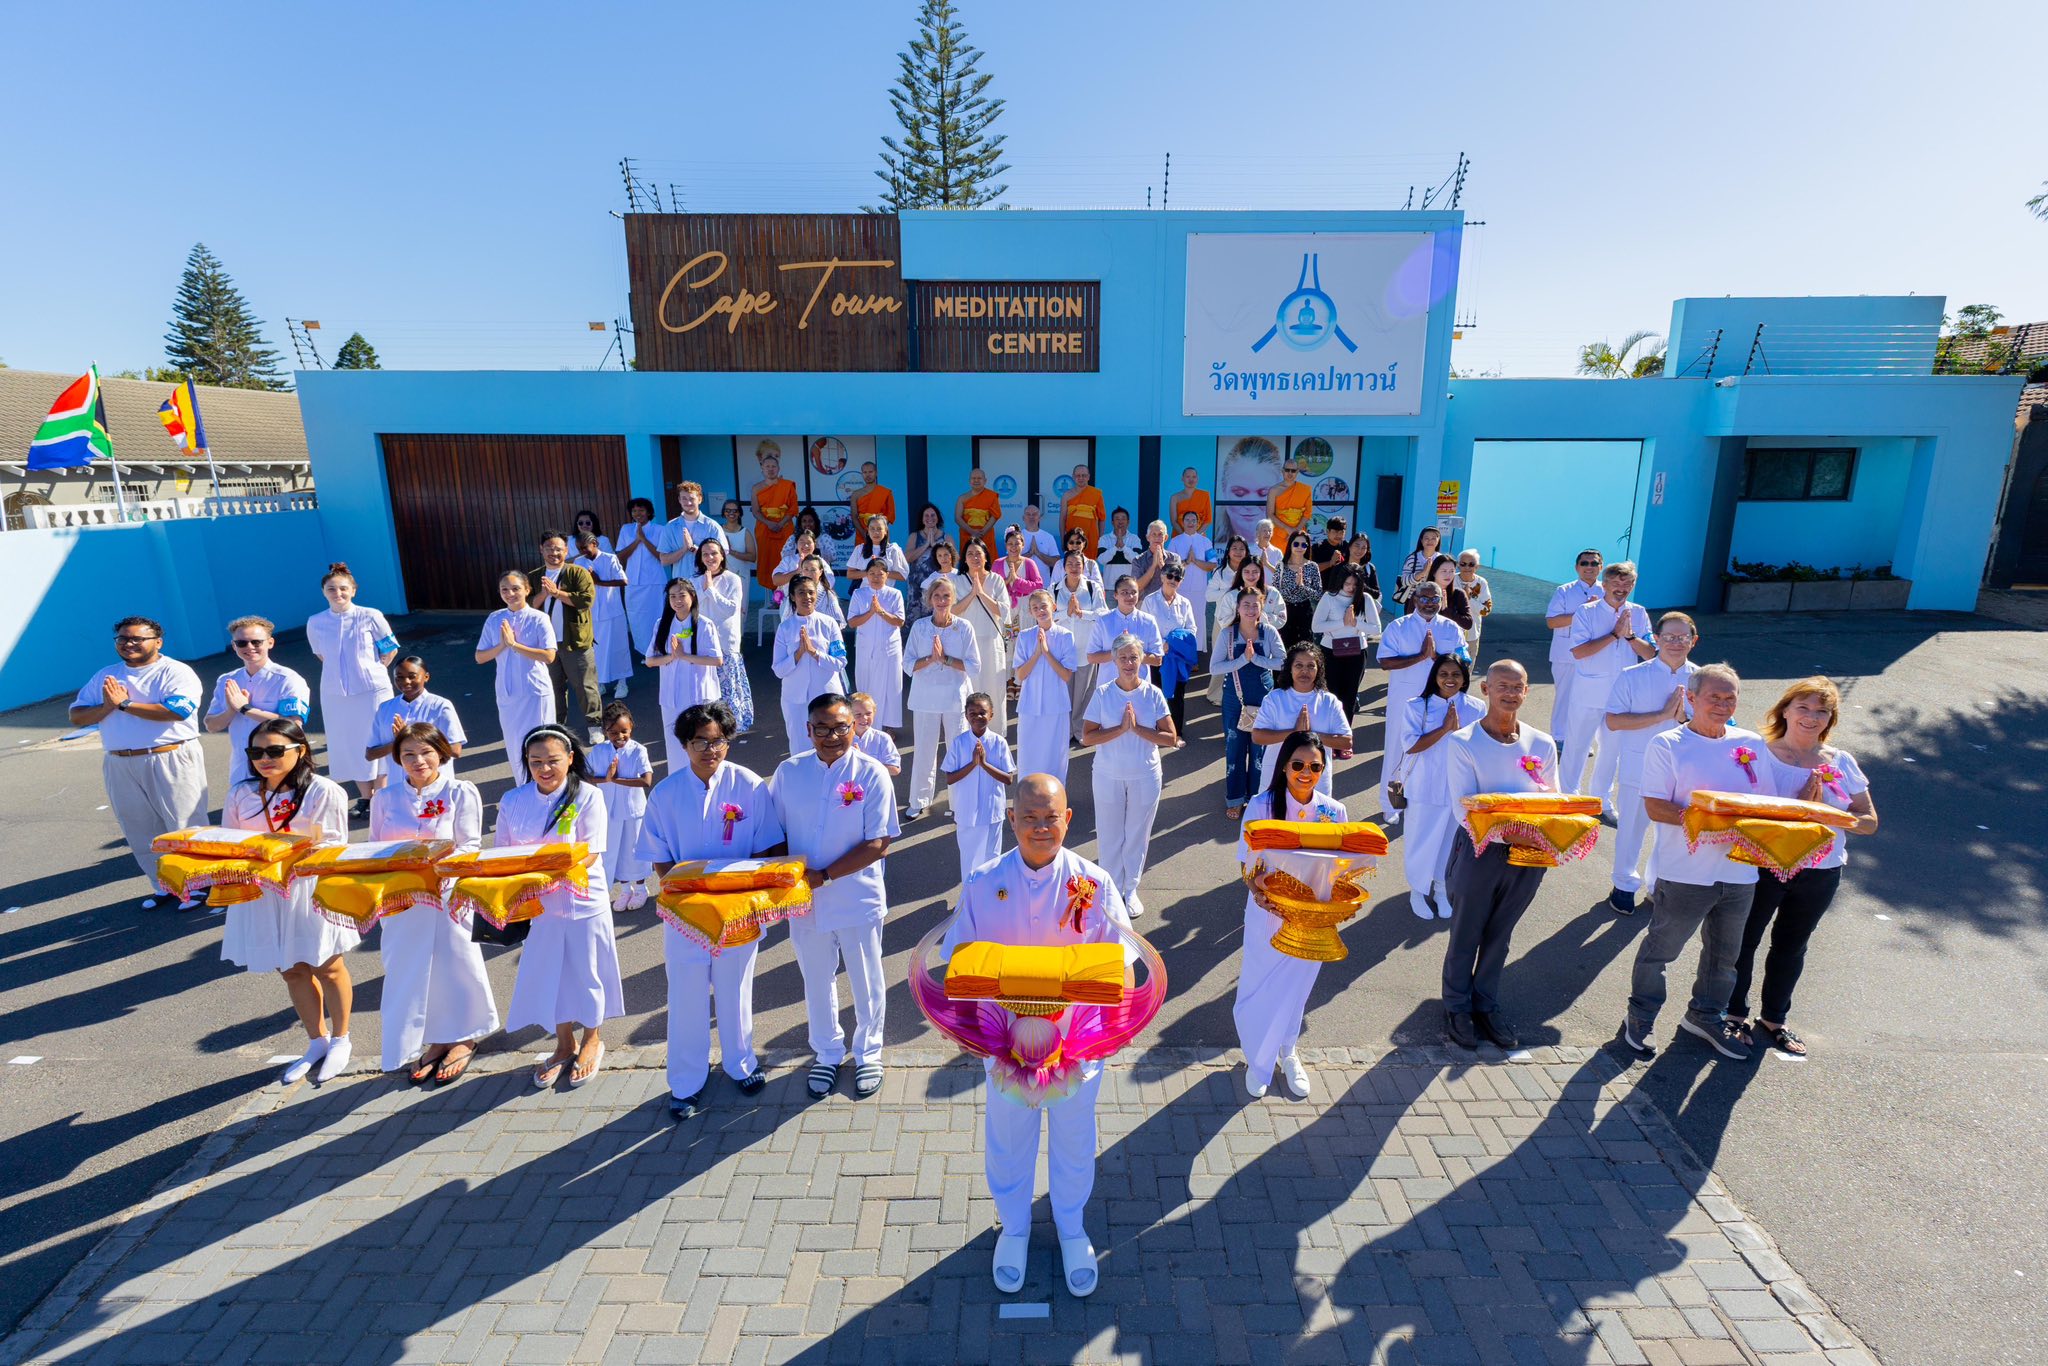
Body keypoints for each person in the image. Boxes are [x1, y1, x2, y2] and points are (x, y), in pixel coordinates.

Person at [942, 774, 1134, 1299]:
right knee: (1008, 1139)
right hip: (1003, 1044)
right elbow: (958, 961)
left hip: (1075, 1044)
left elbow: (1124, 965)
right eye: (1029, 817)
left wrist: (1116, 1028)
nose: (1040, 827)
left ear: (1068, 818)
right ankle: (1016, 1228)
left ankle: (1072, 1228)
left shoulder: (1093, 882)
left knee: (1074, 1140)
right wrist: (962, 1025)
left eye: (1050, 817)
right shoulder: (983, 880)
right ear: (1012, 820)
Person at [637, 701, 781, 1119]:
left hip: (737, 911)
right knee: (686, 996)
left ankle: (741, 1063)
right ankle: (686, 1081)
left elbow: (768, 846)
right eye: (701, 741)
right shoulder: (666, 793)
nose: (710, 749)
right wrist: (680, 897)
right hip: (684, 914)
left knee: (736, 989)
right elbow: (659, 857)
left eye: (718, 741)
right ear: (684, 744)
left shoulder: (750, 786)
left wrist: (752, 901)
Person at [1728, 677, 1880, 1059]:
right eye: (1804, 708)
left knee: (1792, 945)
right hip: (1763, 863)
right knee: (1743, 940)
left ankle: (1774, 1018)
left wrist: (1826, 814)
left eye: (1821, 711)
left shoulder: (1841, 762)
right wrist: (1797, 809)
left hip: (1820, 869)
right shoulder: (1757, 753)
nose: (1811, 717)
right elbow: (1742, 811)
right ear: (1785, 710)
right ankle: (1733, 1015)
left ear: (1831, 718)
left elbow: (1869, 820)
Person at [1620, 664, 1765, 1063]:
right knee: (1660, 951)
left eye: (1730, 697)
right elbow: (1655, 806)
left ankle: (1704, 1017)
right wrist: (1712, 824)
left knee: (1724, 957)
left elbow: (1766, 803)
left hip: (1740, 872)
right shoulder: (1668, 744)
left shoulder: (1752, 744)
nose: (1722, 705)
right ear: (1691, 698)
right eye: (1714, 697)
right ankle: (1641, 1016)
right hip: (1684, 872)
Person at [770, 693, 900, 1099]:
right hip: (803, 899)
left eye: (841, 727)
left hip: (855, 896)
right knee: (816, 979)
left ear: (853, 727)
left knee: (865, 977)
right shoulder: (789, 773)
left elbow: (878, 843)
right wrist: (787, 875)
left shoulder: (872, 773)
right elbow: (774, 833)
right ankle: (826, 1053)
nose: (832, 736)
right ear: (808, 731)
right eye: (822, 728)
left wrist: (823, 876)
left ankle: (868, 1053)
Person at [214, 718, 353, 1081]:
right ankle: (316, 1041)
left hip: (307, 889)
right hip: (262, 893)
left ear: (300, 751)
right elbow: (230, 843)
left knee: (327, 965)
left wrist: (282, 853)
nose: (265, 759)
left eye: (275, 751)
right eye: (256, 752)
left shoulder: (323, 791)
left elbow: (334, 846)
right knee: (291, 969)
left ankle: (341, 1039)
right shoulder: (240, 793)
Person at [1439, 660, 1558, 1051]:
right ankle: (1457, 1006)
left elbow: (1553, 801)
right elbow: (1464, 809)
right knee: (1466, 932)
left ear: (1527, 692)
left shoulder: (1542, 743)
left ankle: (1486, 1004)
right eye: (1502, 685)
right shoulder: (1464, 741)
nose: (1510, 693)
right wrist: (1517, 829)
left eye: (1518, 686)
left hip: (1529, 857)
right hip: (1480, 851)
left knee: (1500, 935)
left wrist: (1537, 835)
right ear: (1485, 690)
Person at [370, 722, 494, 1085]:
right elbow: (376, 849)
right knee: (412, 970)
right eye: (408, 754)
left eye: (425, 752)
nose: (418, 760)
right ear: (398, 760)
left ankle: (465, 1036)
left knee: (455, 964)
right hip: (403, 901)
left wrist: (439, 867)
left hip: (447, 895)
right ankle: (436, 1037)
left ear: (440, 752)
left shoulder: (460, 792)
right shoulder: (385, 798)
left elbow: (471, 845)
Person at [1232, 732, 1348, 1099]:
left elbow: (1343, 867)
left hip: (1312, 918)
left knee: (1297, 990)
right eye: (1298, 765)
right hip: (1268, 913)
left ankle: (1287, 1051)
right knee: (1258, 985)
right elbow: (1246, 863)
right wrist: (1258, 891)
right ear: (1284, 766)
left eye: (1315, 766)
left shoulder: (1335, 811)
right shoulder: (1261, 805)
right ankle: (1257, 1058)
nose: (1305, 772)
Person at [503, 724, 618, 1088]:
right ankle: (563, 1044)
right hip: (538, 908)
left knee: (587, 973)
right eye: (535, 761)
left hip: (583, 901)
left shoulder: (587, 796)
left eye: (553, 760)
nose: (544, 769)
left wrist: (545, 877)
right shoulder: (513, 800)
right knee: (551, 975)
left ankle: (592, 1040)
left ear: (570, 759)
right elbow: (504, 855)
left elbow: (590, 853)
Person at [72, 616, 209, 909]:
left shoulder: (176, 672)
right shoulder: (105, 676)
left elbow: (175, 711)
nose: (128, 643)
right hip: (120, 762)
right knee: (139, 827)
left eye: (137, 638)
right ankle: (165, 885)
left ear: (157, 642)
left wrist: (123, 705)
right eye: (122, 638)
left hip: (170, 756)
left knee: (184, 824)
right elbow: (77, 715)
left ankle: (199, 886)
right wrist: (107, 706)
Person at [1602, 613, 1699, 914]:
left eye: (1682, 638)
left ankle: (1657, 884)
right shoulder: (1632, 676)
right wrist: (1661, 715)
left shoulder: (1702, 680)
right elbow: (1614, 721)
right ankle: (1623, 884)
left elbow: (1715, 725)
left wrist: (1681, 717)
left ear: (1693, 642)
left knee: (1671, 832)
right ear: (1655, 640)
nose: (1675, 643)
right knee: (1631, 828)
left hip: (1683, 771)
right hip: (1639, 766)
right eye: (1669, 637)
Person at [1082, 632, 1177, 917]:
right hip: (1108, 775)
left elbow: (1170, 737)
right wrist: (1121, 729)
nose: (1128, 662)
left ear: (1142, 660)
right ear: (1113, 660)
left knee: (1137, 835)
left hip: (1145, 775)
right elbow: (1087, 736)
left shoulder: (1152, 693)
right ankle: (1110, 889)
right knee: (1110, 835)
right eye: (1122, 657)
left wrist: (1136, 729)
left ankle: (1130, 889)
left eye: (1133, 657)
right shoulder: (1103, 693)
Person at [306, 562, 398, 816]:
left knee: (377, 738)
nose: (338, 593)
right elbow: (322, 655)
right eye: (331, 589)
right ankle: (365, 798)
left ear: (353, 590)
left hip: (372, 691)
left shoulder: (371, 615)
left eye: (343, 588)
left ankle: (382, 795)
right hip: (336, 694)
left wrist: (372, 671)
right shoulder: (315, 622)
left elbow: (389, 649)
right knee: (348, 742)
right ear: (324, 592)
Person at [1560, 561, 1655, 801]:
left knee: (1612, 750)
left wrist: (1630, 636)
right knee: (1577, 746)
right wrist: (1614, 635)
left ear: (1633, 585)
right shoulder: (1586, 612)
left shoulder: (1639, 612)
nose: (1621, 588)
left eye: (1627, 583)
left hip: (1621, 696)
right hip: (1589, 691)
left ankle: (1601, 799)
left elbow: (1651, 653)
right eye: (1615, 582)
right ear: (1604, 584)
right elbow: (1579, 652)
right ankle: (1568, 796)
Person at [1399, 655, 1484, 921]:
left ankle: (1440, 889)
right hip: (1426, 786)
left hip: (1460, 787)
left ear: (1464, 678)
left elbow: (1482, 746)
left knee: (1450, 842)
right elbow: (1410, 745)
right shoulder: (1417, 706)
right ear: (1434, 676)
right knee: (1421, 841)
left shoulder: (1476, 707)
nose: (1450, 679)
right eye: (1444, 674)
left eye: (1456, 674)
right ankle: (1417, 891)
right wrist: (1446, 729)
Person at [1375, 579, 1469, 819]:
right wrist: (1420, 656)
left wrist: (1436, 656)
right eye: (1424, 599)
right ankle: (1391, 804)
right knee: (1398, 750)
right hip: (1404, 699)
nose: (1429, 603)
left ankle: (1427, 803)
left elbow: (1463, 662)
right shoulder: (1398, 626)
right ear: (1415, 600)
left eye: (1434, 599)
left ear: (1442, 600)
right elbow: (1385, 662)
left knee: (1437, 751)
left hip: (1442, 700)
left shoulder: (1451, 628)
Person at [903, 578, 981, 820]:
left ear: (953, 598)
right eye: (937, 596)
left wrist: (945, 660)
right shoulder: (919, 627)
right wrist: (931, 659)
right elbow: (907, 664)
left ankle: (959, 803)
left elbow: (974, 666)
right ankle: (918, 800)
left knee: (957, 751)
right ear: (930, 599)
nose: (941, 601)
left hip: (955, 699)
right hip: (925, 698)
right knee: (924, 750)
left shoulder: (965, 627)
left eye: (946, 596)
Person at [204, 615, 312, 787]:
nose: (249, 647)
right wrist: (232, 710)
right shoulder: (227, 680)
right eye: (241, 643)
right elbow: (211, 726)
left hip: (278, 763)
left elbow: (293, 725)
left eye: (256, 642)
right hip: (241, 765)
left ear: (270, 643)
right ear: (234, 646)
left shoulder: (287, 679)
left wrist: (246, 708)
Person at [1216, 589, 1287, 818]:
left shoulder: (1269, 632)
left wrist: (1255, 659)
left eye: (1255, 605)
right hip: (1233, 698)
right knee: (1234, 748)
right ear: (1237, 608)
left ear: (1262, 607)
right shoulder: (1228, 634)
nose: (1250, 609)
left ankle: (1258, 799)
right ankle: (1235, 799)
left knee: (1261, 751)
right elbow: (1214, 668)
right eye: (1246, 605)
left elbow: (1283, 663)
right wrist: (1240, 661)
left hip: (1263, 696)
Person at [529, 531, 602, 745]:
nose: (554, 553)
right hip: (546, 645)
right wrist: (544, 593)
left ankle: (595, 725)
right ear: (541, 549)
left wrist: (557, 593)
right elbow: (529, 605)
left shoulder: (577, 573)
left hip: (576, 641)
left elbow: (585, 601)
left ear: (566, 550)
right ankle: (556, 727)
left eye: (559, 549)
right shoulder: (535, 575)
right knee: (553, 688)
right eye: (549, 548)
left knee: (585, 686)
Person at [1251, 643, 1352, 797]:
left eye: (1311, 666)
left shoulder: (1329, 701)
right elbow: (1257, 736)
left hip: (1317, 781)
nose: (1305, 671)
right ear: (1290, 669)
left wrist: (1310, 736)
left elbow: (1346, 742)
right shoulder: (1274, 698)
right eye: (1299, 665)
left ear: (1319, 670)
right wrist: (1293, 733)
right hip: (1277, 776)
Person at [474, 572, 557, 757]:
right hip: (507, 693)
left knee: (542, 743)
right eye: (504, 589)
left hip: (535, 692)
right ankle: (522, 785)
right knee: (514, 745)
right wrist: (502, 645)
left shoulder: (539, 618)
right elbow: (480, 657)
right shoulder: (494, 619)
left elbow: (549, 656)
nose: (510, 593)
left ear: (527, 590)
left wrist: (514, 645)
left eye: (516, 588)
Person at [587, 702, 654, 910]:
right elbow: (584, 775)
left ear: (631, 727)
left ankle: (641, 888)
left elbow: (646, 780)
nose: (619, 736)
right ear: (605, 731)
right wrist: (604, 778)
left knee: (634, 849)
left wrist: (616, 780)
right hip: (608, 811)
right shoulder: (598, 751)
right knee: (615, 850)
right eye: (613, 732)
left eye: (624, 731)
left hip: (633, 811)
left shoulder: (638, 751)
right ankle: (625, 890)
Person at [771, 576, 849, 754]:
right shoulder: (785, 628)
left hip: (827, 695)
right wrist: (798, 653)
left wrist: (815, 653)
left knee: (832, 744)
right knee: (800, 745)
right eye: (801, 592)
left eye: (811, 592)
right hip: (795, 698)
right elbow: (778, 670)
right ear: (792, 596)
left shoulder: (829, 624)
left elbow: (840, 662)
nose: (807, 597)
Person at [943, 692, 1015, 884]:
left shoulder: (999, 742)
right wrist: (973, 764)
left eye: (982, 712)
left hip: (992, 812)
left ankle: (990, 900)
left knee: (991, 859)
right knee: (968, 860)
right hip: (966, 812)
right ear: (966, 716)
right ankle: (968, 900)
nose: (977, 717)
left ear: (991, 714)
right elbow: (950, 778)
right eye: (972, 713)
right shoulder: (959, 743)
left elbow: (1008, 778)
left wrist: (983, 764)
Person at [1013, 589, 1081, 785]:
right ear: (1031, 612)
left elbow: (1066, 675)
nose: (1040, 610)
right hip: (1029, 705)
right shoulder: (1025, 637)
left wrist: (1047, 652)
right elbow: (1020, 675)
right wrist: (1036, 653)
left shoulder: (1065, 636)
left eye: (1043, 605)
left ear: (1053, 606)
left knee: (1055, 753)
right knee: (1029, 750)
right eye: (1035, 608)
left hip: (1056, 705)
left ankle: (1055, 796)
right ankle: (1027, 793)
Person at [690, 538, 751, 733]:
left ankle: (733, 725)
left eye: (714, 553)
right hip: (703, 643)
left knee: (728, 687)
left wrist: (711, 590)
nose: (710, 557)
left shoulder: (732, 579)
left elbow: (730, 610)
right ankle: (708, 727)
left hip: (726, 641)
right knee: (705, 687)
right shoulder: (693, 581)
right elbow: (692, 610)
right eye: (705, 554)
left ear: (722, 555)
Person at [957, 539, 1013, 736]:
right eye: (970, 553)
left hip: (991, 642)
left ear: (986, 556)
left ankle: (996, 733)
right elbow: (953, 611)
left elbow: (1004, 611)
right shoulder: (958, 580)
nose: (974, 557)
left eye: (978, 553)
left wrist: (982, 593)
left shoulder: (996, 580)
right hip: (967, 643)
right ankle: (968, 733)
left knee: (993, 689)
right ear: (964, 558)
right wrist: (972, 594)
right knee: (969, 689)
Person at [1544, 548, 1606, 724]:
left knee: (1591, 701)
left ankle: (1583, 743)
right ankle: (1559, 738)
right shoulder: (1564, 591)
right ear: (1576, 567)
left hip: (1597, 654)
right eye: (1584, 563)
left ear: (1601, 567)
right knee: (1565, 699)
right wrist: (1583, 610)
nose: (1589, 567)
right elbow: (1552, 622)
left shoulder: (1608, 591)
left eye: (1594, 563)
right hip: (1566, 655)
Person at [1311, 567, 1381, 721]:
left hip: (1356, 652)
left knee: (1349, 696)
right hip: (1330, 651)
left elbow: (1376, 629)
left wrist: (1356, 623)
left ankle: (1344, 736)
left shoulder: (1365, 598)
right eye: (1348, 583)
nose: (1351, 588)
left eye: (1355, 584)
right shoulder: (1329, 597)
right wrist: (1342, 622)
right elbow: (1316, 626)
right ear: (1340, 582)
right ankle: (1327, 734)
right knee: (1330, 694)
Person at [1054, 551, 1109, 744]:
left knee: (1083, 693)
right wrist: (1065, 613)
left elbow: (1103, 614)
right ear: (1064, 566)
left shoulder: (1092, 588)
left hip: (1086, 648)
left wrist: (1081, 613)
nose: (1074, 567)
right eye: (1070, 563)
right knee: (1063, 692)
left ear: (1083, 567)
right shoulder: (1054, 589)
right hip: (1062, 651)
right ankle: (1064, 730)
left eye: (1078, 564)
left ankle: (1079, 730)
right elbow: (1046, 616)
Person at [1143, 562, 1201, 737]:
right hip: (1155, 655)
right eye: (1170, 576)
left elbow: (1191, 629)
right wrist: (1162, 644)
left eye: (1177, 577)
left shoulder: (1185, 603)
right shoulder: (1150, 600)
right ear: (1161, 576)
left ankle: (1176, 733)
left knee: (1177, 695)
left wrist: (1172, 643)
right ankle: (1153, 732)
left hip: (1177, 658)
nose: (1173, 580)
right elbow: (1145, 627)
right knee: (1155, 693)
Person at [847, 558, 907, 730]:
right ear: (866, 575)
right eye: (871, 573)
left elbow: (899, 621)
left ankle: (888, 727)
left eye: (880, 574)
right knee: (867, 687)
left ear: (887, 575)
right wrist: (871, 611)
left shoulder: (895, 594)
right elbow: (852, 622)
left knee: (890, 689)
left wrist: (880, 611)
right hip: (866, 650)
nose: (875, 577)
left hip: (888, 650)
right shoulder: (859, 594)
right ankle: (864, 726)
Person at [575, 529, 633, 702]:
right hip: (591, 613)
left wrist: (599, 581)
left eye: (585, 547)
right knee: (595, 651)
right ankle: (599, 683)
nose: (582, 552)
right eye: (579, 548)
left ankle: (622, 682)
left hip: (612, 611)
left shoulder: (610, 558)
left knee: (618, 646)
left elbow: (623, 581)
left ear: (595, 544)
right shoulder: (579, 562)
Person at [616, 498, 671, 673]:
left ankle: (658, 650)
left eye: (641, 510)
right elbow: (620, 556)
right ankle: (644, 652)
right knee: (636, 618)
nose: (638, 514)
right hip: (633, 581)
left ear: (649, 512)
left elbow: (661, 557)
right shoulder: (626, 529)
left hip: (654, 581)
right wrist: (637, 540)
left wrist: (644, 539)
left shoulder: (660, 530)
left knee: (656, 616)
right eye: (634, 511)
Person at [750, 441, 800, 597]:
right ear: (762, 468)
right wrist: (770, 523)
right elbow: (756, 511)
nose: (771, 470)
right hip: (765, 529)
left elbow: (793, 509)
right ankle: (774, 594)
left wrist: (781, 523)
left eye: (773, 467)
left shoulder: (787, 485)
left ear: (778, 469)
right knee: (768, 560)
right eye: (767, 467)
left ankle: (789, 591)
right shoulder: (756, 488)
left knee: (786, 557)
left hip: (785, 528)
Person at [1218, 437, 1283, 545]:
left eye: (1263, 493)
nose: (1250, 504)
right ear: (1224, 490)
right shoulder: (1211, 542)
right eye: (1239, 493)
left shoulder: (1285, 542)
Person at [1165, 509, 1216, 644]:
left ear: (1198, 523)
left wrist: (1196, 561)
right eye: (1187, 520)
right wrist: (1186, 562)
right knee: (1180, 619)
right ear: (1182, 523)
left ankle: (1196, 654)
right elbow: (1169, 567)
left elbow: (1212, 565)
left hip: (1200, 590)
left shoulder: (1206, 542)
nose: (1190, 523)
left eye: (1194, 520)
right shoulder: (1175, 542)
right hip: (1179, 589)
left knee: (1198, 619)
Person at [1275, 532, 1325, 648]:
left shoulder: (1312, 566)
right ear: (1290, 545)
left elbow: (1318, 595)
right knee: (1284, 649)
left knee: (1304, 649)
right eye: (1296, 544)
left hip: (1305, 611)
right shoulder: (1281, 566)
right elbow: (1276, 595)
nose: (1299, 547)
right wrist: (1294, 586)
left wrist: (1302, 587)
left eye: (1304, 545)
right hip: (1285, 611)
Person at [904, 503, 951, 624]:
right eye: (926, 515)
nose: (930, 518)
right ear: (922, 519)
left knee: (936, 621)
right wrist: (926, 545)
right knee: (914, 623)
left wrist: (935, 546)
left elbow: (953, 561)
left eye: (933, 515)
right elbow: (907, 558)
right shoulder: (914, 536)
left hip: (938, 587)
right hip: (916, 588)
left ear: (938, 518)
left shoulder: (947, 538)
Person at [1263, 458, 1313, 554]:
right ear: (1282, 471)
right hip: (1279, 533)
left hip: (1299, 534)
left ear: (1297, 472)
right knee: (1278, 562)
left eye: (1293, 471)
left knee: (1299, 563)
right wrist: (1288, 529)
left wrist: (1296, 532)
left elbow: (1307, 514)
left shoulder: (1305, 490)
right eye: (1287, 470)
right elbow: (1270, 515)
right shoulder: (1274, 490)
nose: (1290, 473)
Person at [846, 512, 910, 587]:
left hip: (886, 594)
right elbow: (850, 574)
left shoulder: (893, 549)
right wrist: (869, 572)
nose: (876, 532)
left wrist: (882, 572)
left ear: (885, 531)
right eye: (872, 529)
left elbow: (903, 575)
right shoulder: (860, 549)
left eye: (879, 529)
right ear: (868, 531)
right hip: (865, 593)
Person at [956, 466, 1004, 562]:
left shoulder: (991, 496)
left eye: (979, 478)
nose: (976, 480)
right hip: (967, 535)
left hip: (986, 535)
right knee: (968, 561)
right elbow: (958, 518)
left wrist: (982, 532)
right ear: (969, 481)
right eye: (973, 478)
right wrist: (972, 532)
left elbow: (995, 516)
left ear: (985, 481)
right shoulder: (962, 498)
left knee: (987, 561)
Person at [995, 525, 1046, 614]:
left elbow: (1038, 586)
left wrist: (1017, 580)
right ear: (1006, 545)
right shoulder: (998, 563)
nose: (1013, 547)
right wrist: (1006, 581)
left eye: (1017, 543)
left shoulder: (1029, 563)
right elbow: (991, 587)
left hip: (1025, 608)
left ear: (1023, 544)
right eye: (1010, 544)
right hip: (1004, 606)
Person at [849, 693, 903, 777]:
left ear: (874, 713)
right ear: (848, 715)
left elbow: (895, 769)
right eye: (858, 714)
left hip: (875, 786)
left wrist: (864, 760)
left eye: (868, 713)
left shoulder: (883, 738)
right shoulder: (842, 739)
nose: (864, 718)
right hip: (848, 788)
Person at [1455, 551, 1493, 666]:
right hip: (1452, 632)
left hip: (1472, 634)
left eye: (1471, 564)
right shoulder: (1450, 579)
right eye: (1463, 564)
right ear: (1458, 565)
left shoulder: (1481, 583)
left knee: (1467, 669)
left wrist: (1469, 598)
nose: (1467, 567)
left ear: (1477, 567)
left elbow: (1486, 610)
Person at [1326, 533, 1383, 609]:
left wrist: (1361, 585)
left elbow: (1376, 594)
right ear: (1349, 546)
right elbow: (1331, 591)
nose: (1359, 550)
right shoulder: (1338, 568)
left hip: (1362, 611)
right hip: (1339, 609)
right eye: (1357, 545)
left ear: (1367, 550)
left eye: (1364, 548)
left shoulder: (1369, 568)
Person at [1393, 526, 1443, 610]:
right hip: (1414, 601)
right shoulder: (1412, 558)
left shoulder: (1441, 559)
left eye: (1433, 538)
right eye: (1426, 538)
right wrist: (1422, 573)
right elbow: (1404, 581)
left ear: (1438, 540)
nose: (1430, 541)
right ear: (1421, 540)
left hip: (1434, 601)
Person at [1425, 554, 1474, 633]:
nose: (1448, 575)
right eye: (1444, 571)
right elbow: (1411, 619)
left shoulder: (1459, 594)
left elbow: (1468, 624)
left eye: (1452, 571)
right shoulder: (1420, 593)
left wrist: (1446, 611)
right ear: (1434, 572)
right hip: (1423, 640)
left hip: (1450, 642)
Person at [1130, 519, 1176, 600]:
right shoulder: (1138, 560)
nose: (1157, 538)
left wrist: (1162, 564)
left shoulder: (1174, 558)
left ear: (1166, 537)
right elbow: (1137, 587)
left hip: (1167, 603)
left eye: (1160, 534)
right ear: (1148, 537)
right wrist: (1153, 566)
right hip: (1144, 604)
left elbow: (1174, 582)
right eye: (1153, 534)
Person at [1060, 463, 1105, 543]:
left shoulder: (1096, 494)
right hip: (1072, 539)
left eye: (1084, 475)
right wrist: (1063, 539)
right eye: (1078, 475)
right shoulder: (1066, 495)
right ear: (1073, 477)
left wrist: (1101, 540)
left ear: (1088, 477)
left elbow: (1102, 519)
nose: (1081, 478)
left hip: (1091, 538)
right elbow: (1062, 519)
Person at [1018, 503, 1062, 580]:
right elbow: (1010, 561)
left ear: (1039, 517)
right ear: (1023, 518)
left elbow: (1056, 563)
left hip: (1044, 586)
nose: (1031, 517)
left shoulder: (1048, 537)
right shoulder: (1016, 536)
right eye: (1028, 514)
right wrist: (1029, 554)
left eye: (1034, 514)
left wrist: (1038, 553)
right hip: (1021, 586)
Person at [1168, 467, 1212, 541]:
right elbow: (1174, 521)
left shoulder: (1205, 495)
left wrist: (1195, 536)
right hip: (1179, 537)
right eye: (1188, 477)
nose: (1191, 479)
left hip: (1199, 537)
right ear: (1182, 478)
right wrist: (1184, 537)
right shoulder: (1174, 498)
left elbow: (1208, 520)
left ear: (1197, 479)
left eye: (1194, 477)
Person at [852, 459, 897, 532]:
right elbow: (854, 517)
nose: (868, 475)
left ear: (876, 473)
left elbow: (891, 515)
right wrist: (864, 534)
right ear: (862, 474)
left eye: (870, 472)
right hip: (861, 534)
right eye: (865, 472)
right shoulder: (855, 494)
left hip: (881, 533)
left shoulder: (886, 492)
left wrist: (878, 530)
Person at [1096, 507, 1141, 574]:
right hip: (1109, 583)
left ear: (1128, 522)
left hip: (1129, 582)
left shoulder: (1134, 538)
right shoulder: (1104, 539)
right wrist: (1115, 547)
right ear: (1112, 522)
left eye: (1123, 519)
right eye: (1117, 519)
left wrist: (1123, 547)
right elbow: (1101, 560)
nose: (1120, 522)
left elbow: (1137, 561)